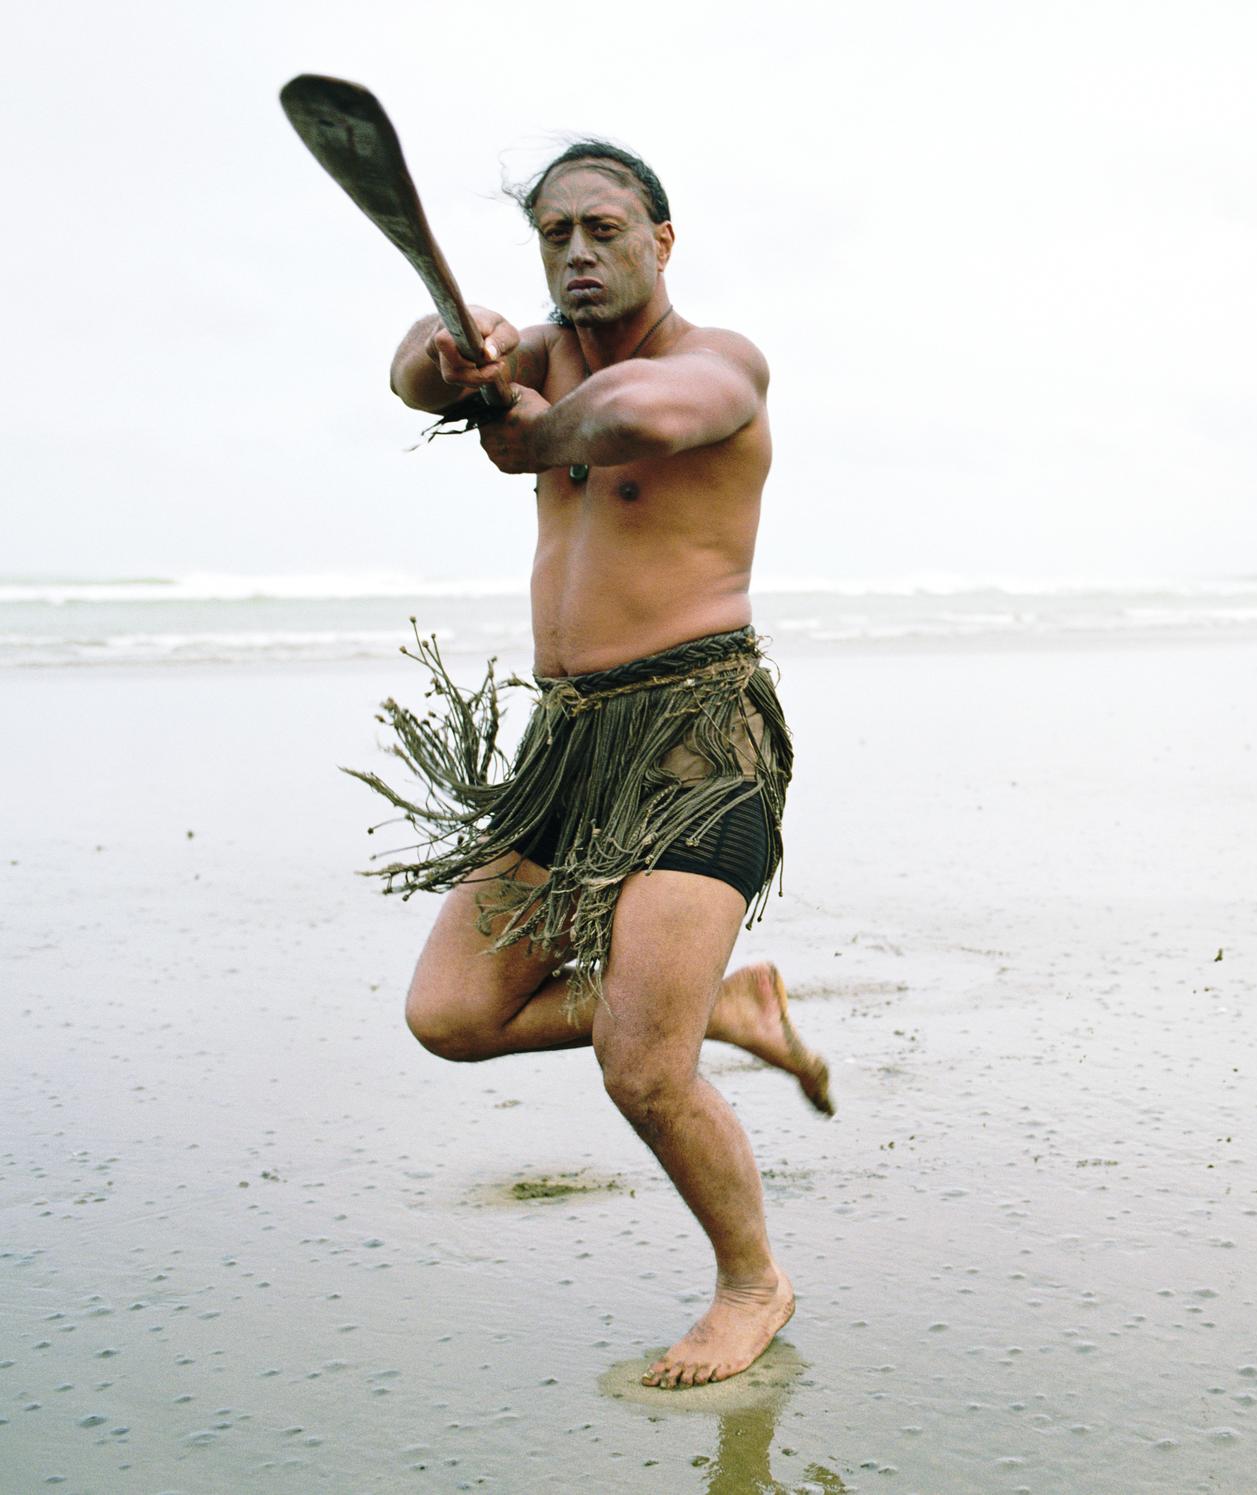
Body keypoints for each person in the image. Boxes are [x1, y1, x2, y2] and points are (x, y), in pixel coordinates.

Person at [362, 139, 829, 1390]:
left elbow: (633, 420)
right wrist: (447, 351)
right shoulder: (530, 357)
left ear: (659, 240)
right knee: (451, 1013)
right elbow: (414, 372)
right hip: (567, 752)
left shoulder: (716, 363)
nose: (578, 251)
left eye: (604, 227)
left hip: (695, 742)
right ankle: (720, 1002)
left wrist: (533, 430)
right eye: (555, 231)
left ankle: (751, 1283)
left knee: (641, 1068)